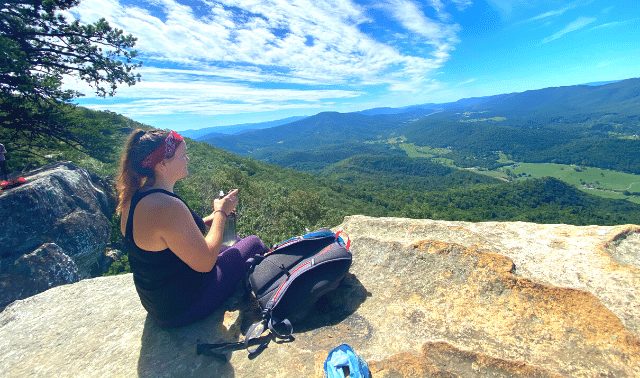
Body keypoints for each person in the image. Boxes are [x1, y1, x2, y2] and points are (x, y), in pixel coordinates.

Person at [116, 129, 268, 328]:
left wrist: (211, 219)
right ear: (162, 164)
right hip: (184, 306)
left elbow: (167, 237)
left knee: (235, 243)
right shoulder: (166, 206)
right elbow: (205, 263)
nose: (187, 159)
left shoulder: (134, 198)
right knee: (253, 243)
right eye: (182, 155)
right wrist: (221, 213)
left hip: (159, 302)